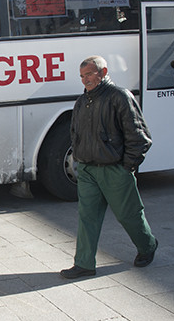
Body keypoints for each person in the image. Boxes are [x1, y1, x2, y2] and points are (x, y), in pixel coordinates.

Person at [60, 55, 158, 279]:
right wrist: (80, 159)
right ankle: (84, 263)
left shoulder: (120, 97)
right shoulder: (81, 101)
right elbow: (75, 133)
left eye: (90, 74)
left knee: (129, 215)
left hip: (114, 170)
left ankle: (148, 246)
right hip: (87, 170)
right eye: (82, 76)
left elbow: (140, 137)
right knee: (87, 217)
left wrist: (126, 167)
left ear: (103, 73)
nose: (86, 80)